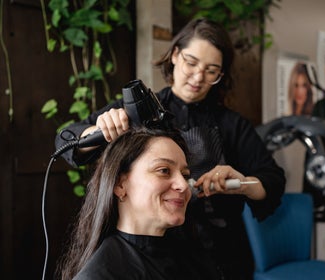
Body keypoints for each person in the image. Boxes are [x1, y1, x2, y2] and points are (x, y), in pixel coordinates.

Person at [56, 18, 286, 279]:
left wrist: (242, 182)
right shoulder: (140, 112)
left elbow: (273, 181)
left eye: (212, 70)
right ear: (175, 55)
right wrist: (98, 131)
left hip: (221, 253)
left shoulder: (232, 125)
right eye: (192, 62)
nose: (199, 77)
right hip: (156, 250)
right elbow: (66, 141)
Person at [56, 127, 221, 279]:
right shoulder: (100, 275)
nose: (184, 185)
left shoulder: (193, 260)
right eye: (164, 171)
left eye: (185, 175)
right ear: (120, 185)